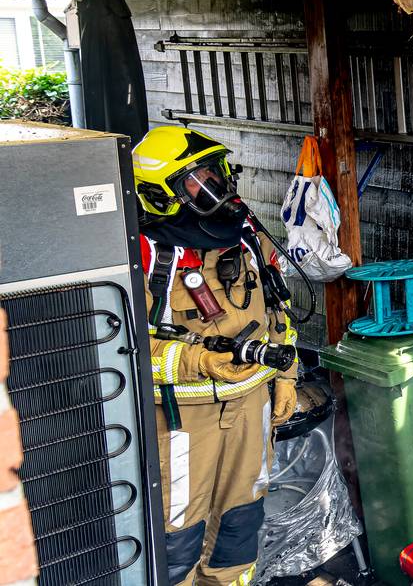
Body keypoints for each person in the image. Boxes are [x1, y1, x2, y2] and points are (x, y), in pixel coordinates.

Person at [132, 126, 299, 586]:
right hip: (184, 422)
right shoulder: (145, 259)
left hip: (252, 409)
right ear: (159, 193)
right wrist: (199, 362)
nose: (216, 186)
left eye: (216, 172)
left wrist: (286, 376)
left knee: (241, 527)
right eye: (196, 179)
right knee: (176, 540)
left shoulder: (247, 241)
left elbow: (278, 315)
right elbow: (122, 355)